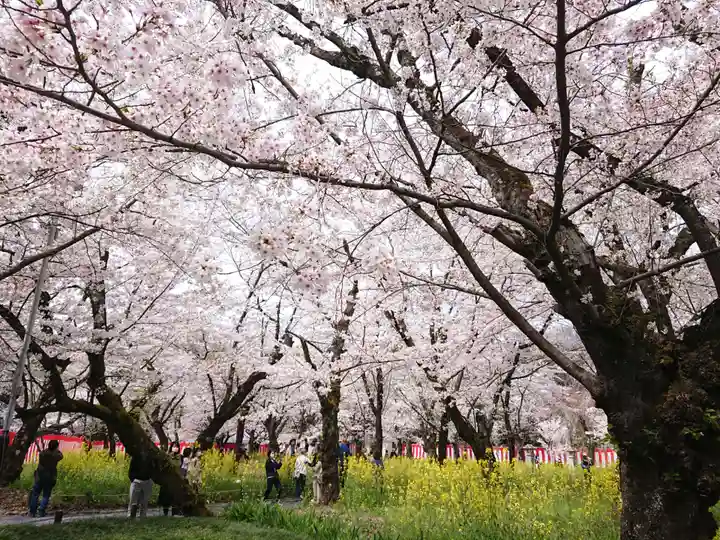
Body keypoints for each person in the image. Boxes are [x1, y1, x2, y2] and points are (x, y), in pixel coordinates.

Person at [28, 439, 63, 518]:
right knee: (46, 495)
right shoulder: (56, 456)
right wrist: (55, 450)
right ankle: (41, 511)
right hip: (50, 477)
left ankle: (32, 512)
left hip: (39, 476)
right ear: (56, 447)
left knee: (35, 494)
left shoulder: (42, 453)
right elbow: (61, 455)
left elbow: (43, 453)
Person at [128, 449, 154, 519]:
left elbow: (153, 468)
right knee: (133, 501)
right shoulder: (136, 457)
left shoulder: (150, 457)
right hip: (136, 481)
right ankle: (131, 516)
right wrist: (133, 479)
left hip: (147, 481)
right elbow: (131, 469)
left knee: (145, 501)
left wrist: (151, 478)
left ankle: (142, 517)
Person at [158, 444, 181, 516]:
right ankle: (165, 513)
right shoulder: (167, 456)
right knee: (166, 497)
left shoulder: (180, 457)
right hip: (167, 480)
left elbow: (178, 465)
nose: (175, 448)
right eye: (174, 446)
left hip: (176, 480)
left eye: (177, 447)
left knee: (175, 497)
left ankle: (175, 513)